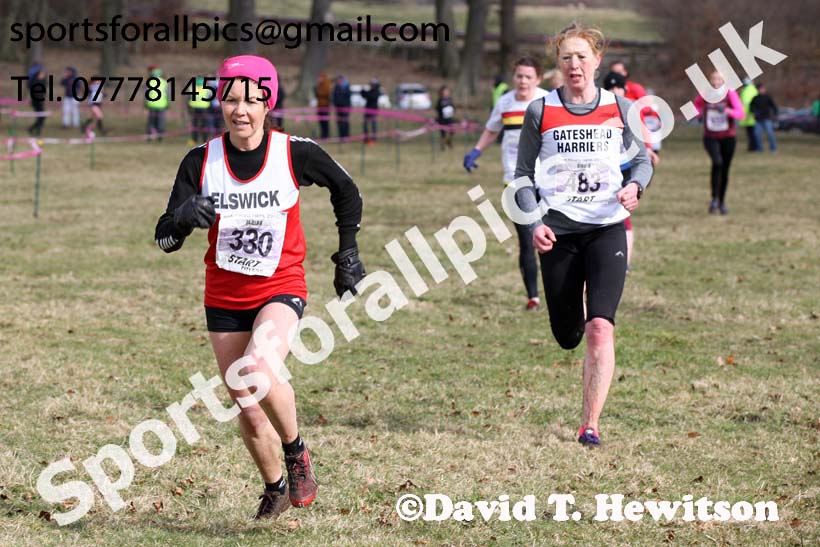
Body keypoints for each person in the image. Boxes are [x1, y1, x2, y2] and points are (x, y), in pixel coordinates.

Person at [153, 55, 365, 520]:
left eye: (251, 99)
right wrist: (184, 219)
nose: (240, 110)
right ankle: (274, 487)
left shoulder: (295, 152)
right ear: (220, 102)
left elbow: (347, 190)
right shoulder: (200, 160)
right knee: (247, 407)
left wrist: (346, 253)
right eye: (231, 98)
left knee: (259, 369)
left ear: (268, 103)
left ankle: (297, 452)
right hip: (224, 298)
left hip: (280, 285)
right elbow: (164, 237)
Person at [514, 23, 653, 447]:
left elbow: (643, 160)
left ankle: (589, 424)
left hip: (607, 227)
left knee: (600, 327)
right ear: (558, 65)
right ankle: (568, 325)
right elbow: (521, 176)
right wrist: (534, 222)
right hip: (559, 232)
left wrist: (635, 186)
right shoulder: (541, 110)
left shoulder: (620, 106)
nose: (574, 65)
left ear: (596, 60)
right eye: (566, 58)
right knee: (568, 333)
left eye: (581, 56)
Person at [464, 57, 549, 311]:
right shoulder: (505, 102)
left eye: (528, 76)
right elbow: (492, 129)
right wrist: (476, 151)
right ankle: (533, 296)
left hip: (547, 181)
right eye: (519, 76)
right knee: (527, 240)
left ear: (538, 79)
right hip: (514, 181)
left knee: (554, 239)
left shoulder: (547, 102)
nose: (522, 81)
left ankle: (560, 290)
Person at [602, 71, 660, 272]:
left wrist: (649, 149)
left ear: (624, 89)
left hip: (627, 167)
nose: (614, 91)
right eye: (610, 88)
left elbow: (642, 130)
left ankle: (623, 261)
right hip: (607, 169)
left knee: (622, 213)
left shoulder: (628, 109)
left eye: (617, 87)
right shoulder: (601, 109)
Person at [693, 71, 745, 215]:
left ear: (724, 81)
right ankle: (714, 198)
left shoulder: (730, 94)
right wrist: (698, 114)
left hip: (728, 137)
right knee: (717, 162)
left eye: (719, 79)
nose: (716, 82)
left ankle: (721, 201)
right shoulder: (705, 93)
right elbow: (695, 107)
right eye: (713, 79)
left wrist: (727, 110)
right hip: (710, 136)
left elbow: (741, 113)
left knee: (725, 168)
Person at [750, 83, 778, 152]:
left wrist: (775, 115)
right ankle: (760, 149)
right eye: (760, 89)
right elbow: (751, 107)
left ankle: (773, 149)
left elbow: (774, 107)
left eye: (762, 89)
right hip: (758, 120)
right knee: (757, 134)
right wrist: (754, 112)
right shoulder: (755, 98)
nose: (761, 90)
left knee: (770, 133)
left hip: (766, 119)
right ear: (757, 90)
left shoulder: (768, 97)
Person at [145, 65, 169, 142]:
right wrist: (168, 103)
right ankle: (160, 136)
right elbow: (168, 94)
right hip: (162, 105)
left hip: (151, 104)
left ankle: (150, 136)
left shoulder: (149, 82)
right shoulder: (164, 82)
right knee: (160, 121)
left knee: (151, 121)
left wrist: (145, 103)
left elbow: (146, 93)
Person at [187, 77, 212, 145]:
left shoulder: (191, 88)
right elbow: (210, 97)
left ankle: (194, 140)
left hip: (194, 109)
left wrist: (188, 109)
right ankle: (204, 139)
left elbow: (188, 98)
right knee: (204, 125)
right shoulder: (207, 88)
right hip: (205, 109)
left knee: (195, 125)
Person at [739, 77, 760, 152]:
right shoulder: (750, 90)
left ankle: (754, 147)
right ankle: (752, 147)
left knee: (752, 133)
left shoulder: (749, 90)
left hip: (750, 115)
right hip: (748, 115)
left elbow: (747, 103)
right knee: (750, 133)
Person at [27, 64, 47, 136]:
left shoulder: (43, 81)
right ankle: (35, 130)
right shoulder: (34, 81)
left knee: (41, 116)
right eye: (43, 73)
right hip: (36, 100)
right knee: (41, 116)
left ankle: (34, 129)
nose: (44, 74)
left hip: (40, 100)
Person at [332, 75, 352, 139]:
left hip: (345, 107)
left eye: (338, 80)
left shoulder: (346, 87)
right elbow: (334, 97)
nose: (337, 81)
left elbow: (347, 98)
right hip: (338, 108)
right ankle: (341, 136)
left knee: (345, 122)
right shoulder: (336, 87)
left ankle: (346, 136)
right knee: (339, 122)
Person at [436, 85, 455, 150]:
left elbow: (453, 107)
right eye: (445, 91)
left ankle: (449, 141)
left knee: (452, 131)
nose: (447, 92)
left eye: (447, 91)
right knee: (443, 133)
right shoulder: (440, 100)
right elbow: (438, 109)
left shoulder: (450, 99)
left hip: (449, 118)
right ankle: (442, 146)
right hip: (442, 119)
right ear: (442, 92)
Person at [362, 79, 381, 144]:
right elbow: (364, 95)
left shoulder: (377, 92)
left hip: (373, 111)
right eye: (371, 84)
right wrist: (362, 90)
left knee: (373, 126)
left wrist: (366, 93)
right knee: (365, 125)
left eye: (373, 85)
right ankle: (366, 138)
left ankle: (374, 139)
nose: (371, 86)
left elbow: (370, 96)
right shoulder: (370, 91)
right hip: (367, 110)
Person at [315, 72, 332, 139]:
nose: (319, 79)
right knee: (321, 122)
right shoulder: (319, 84)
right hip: (320, 106)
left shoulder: (327, 84)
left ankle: (326, 135)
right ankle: (323, 135)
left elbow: (326, 93)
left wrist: (318, 92)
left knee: (325, 122)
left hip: (325, 106)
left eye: (320, 77)